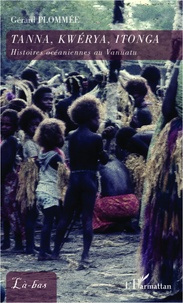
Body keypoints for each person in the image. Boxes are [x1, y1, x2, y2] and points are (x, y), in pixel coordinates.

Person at [139, 56, 182, 300]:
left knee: (171, 214)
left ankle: (170, 282)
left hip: (176, 144)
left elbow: (167, 109)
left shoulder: (181, 66)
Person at [52, 95, 109, 265]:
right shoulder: (96, 138)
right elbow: (104, 159)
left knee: (65, 216)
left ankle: (55, 252)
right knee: (86, 218)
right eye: (98, 118)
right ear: (91, 118)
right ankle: (85, 255)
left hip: (75, 178)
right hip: (89, 179)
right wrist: (107, 140)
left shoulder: (71, 135)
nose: (99, 121)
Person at [33, 118, 67, 261]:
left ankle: (46, 249)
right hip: (50, 192)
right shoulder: (55, 157)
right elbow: (65, 174)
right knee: (48, 222)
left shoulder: (43, 153)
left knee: (51, 220)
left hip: (42, 190)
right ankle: (42, 253)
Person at [17, 105, 45, 254]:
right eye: (32, 125)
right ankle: (29, 246)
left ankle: (31, 244)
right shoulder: (29, 143)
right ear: (25, 126)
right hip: (30, 181)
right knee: (31, 213)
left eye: (38, 125)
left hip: (33, 179)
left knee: (33, 214)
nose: (35, 128)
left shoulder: (35, 142)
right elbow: (34, 162)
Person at [1, 109, 24, 250]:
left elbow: (6, 163)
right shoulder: (5, 140)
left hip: (10, 180)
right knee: (5, 211)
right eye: (1, 124)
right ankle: (7, 240)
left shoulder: (12, 141)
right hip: (5, 179)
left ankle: (18, 241)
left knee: (11, 210)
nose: (3, 127)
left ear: (15, 127)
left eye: (8, 125)